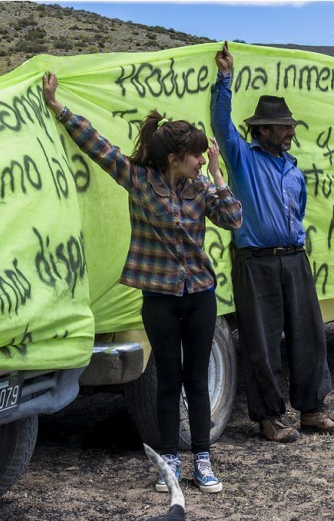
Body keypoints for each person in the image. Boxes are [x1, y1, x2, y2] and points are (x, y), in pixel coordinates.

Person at [42, 73, 243, 494]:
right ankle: (169, 460)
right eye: (196, 156)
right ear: (174, 157)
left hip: (201, 295)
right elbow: (98, 147)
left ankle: (202, 459)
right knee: (168, 378)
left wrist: (220, 175)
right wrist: (58, 107)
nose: (201, 161)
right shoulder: (138, 180)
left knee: (196, 377)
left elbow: (233, 220)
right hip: (160, 298)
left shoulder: (201, 188)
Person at [210, 42, 334, 443]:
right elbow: (221, 122)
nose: (290, 132)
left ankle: (313, 410)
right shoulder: (242, 157)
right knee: (262, 341)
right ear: (263, 130)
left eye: (291, 126)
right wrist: (225, 78)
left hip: (294, 258)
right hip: (256, 261)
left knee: (309, 334)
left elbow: (298, 210)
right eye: (284, 127)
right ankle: (269, 418)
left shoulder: (293, 168)